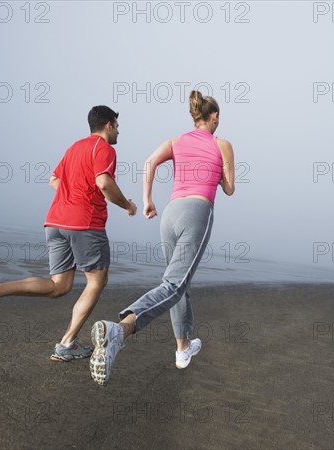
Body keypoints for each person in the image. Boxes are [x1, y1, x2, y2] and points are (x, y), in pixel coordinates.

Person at [0, 105, 137, 362]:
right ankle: (67, 344)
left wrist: (71, 198)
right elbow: (104, 183)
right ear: (108, 125)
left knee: (59, 286)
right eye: (117, 125)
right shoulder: (104, 148)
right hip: (85, 224)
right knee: (96, 281)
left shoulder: (74, 148)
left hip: (55, 222)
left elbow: (54, 180)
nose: (119, 130)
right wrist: (127, 205)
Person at [89, 90, 235, 386]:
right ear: (215, 116)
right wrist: (218, 171)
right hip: (197, 211)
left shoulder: (176, 141)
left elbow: (150, 162)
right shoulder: (223, 144)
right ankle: (121, 329)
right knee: (173, 283)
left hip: (170, 214)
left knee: (178, 282)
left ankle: (183, 348)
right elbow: (229, 189)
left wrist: (147, 201)